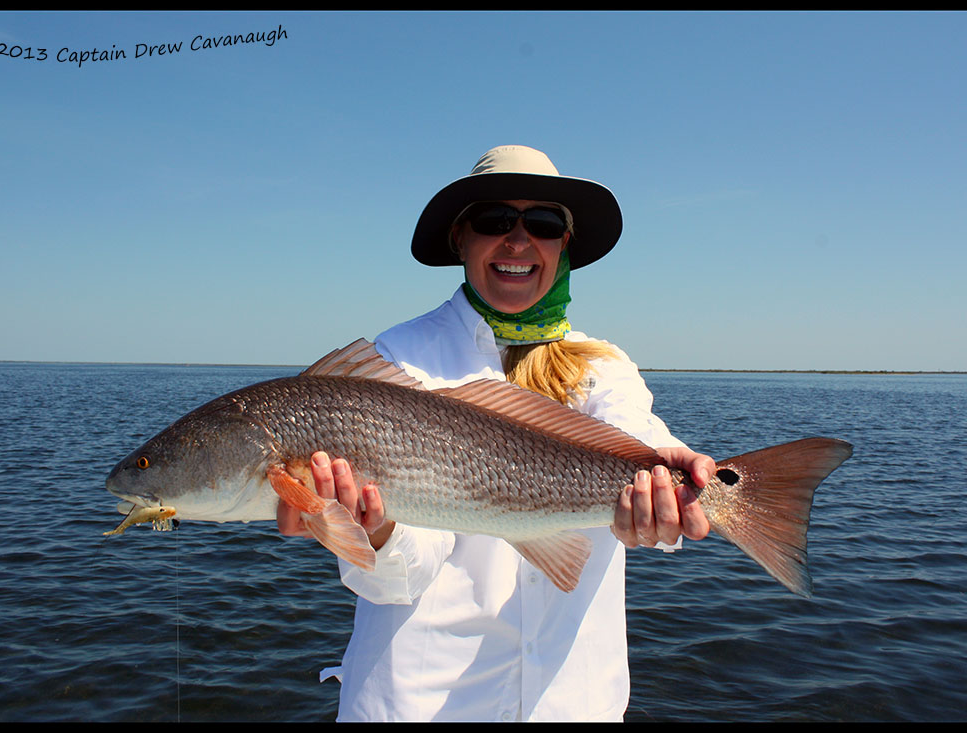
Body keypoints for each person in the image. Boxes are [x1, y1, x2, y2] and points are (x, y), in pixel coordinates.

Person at [277, 145, 716, 722]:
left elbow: (635, 431)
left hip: (575, 704)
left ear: (565, 246)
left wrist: (670, 487)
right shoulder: (396, 363)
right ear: (460, 238)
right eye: (493, 221)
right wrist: (372, 533)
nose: (517, 240)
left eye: (542, 223)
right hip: (417, 704)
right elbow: (395, 581)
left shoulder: (605, 365)